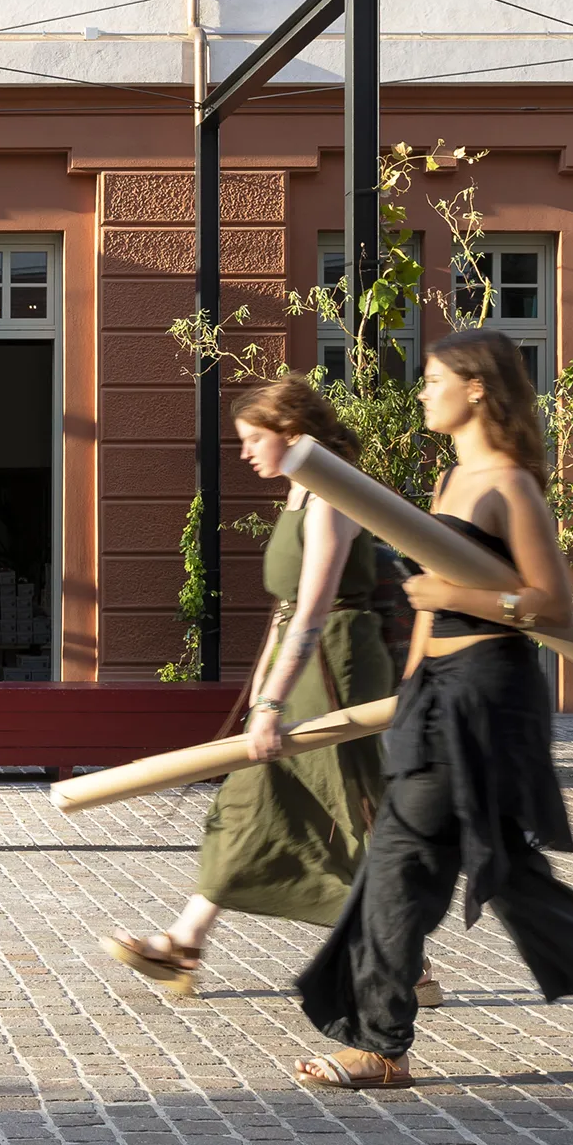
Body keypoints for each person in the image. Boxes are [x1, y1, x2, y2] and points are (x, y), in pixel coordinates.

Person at [292, 329, 573, 1089]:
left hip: (490, 696)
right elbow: (429, 617)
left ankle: (381, 1042)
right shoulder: (448, 483)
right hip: (437, 695)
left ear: (476, 387)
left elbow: (553, 604)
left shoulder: (509, 483)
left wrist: (456, 594)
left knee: (402, 859)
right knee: (505, 868)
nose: (422, 389)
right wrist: (407, 695)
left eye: (433, 377)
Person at [102, 377, 423, 999]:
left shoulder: (331, 498)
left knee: (348, 808)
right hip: (303, 664)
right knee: (253, 796)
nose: (245, 452)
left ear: (293, 435)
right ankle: (185, 942)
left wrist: (273, 700)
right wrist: (264, 694)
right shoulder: (301, 494)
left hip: (334, 668)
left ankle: (405, 957)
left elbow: (312, 610)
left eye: (254, 439)